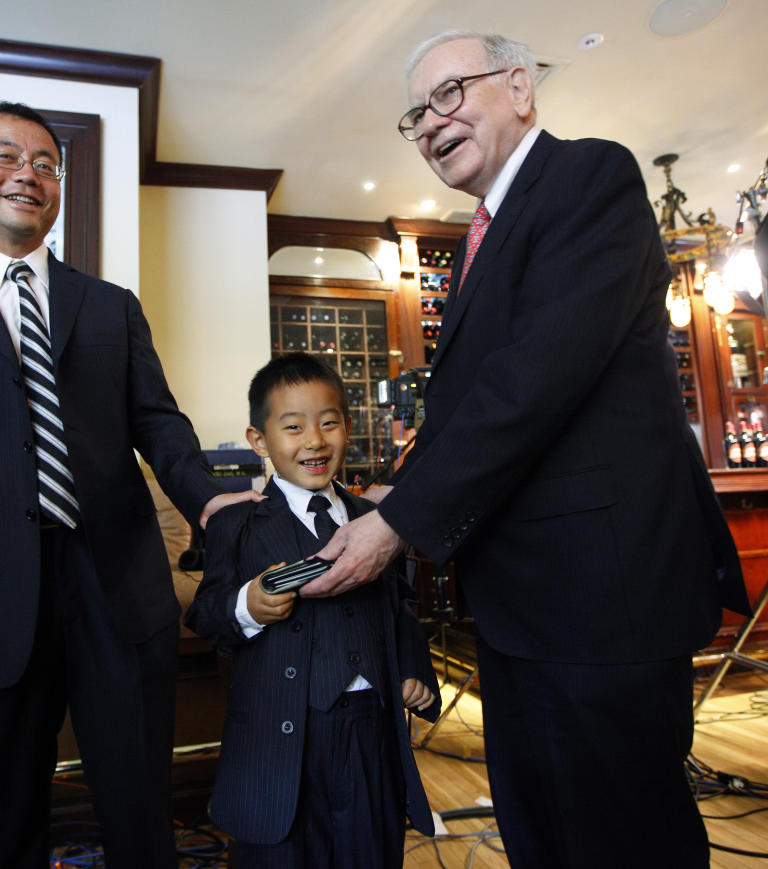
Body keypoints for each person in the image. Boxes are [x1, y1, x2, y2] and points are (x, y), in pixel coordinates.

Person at [304, 31, 752, 869]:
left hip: (601, 598)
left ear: (519, 87)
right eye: (416, 114)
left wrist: (399, 518)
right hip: (521, 607)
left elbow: (535, 378)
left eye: (448, 95)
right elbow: (472, 404)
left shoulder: (589, 176)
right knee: (543, 831)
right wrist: (379, 495)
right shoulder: (484, 233)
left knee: (622, 839)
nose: (431, 124)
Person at [0, 101, 258, 869]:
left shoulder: (110, 306)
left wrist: (207, 495)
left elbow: (159, 422)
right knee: (5, 813)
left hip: (116, 581)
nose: (27, 175)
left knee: (140, 802)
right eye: (6, 157)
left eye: (45, 164)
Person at [184, 352, 442, 869]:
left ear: (347, 426)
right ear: (260, 440)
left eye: (328, 423)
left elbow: (400, 611)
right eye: (294, 427)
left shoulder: (376, 521)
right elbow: (206, 615)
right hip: (282, 741)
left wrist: (416, 670)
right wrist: (247, 605)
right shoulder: (237, 524)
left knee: (370, 850)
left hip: (370, 731)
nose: (314, 441)